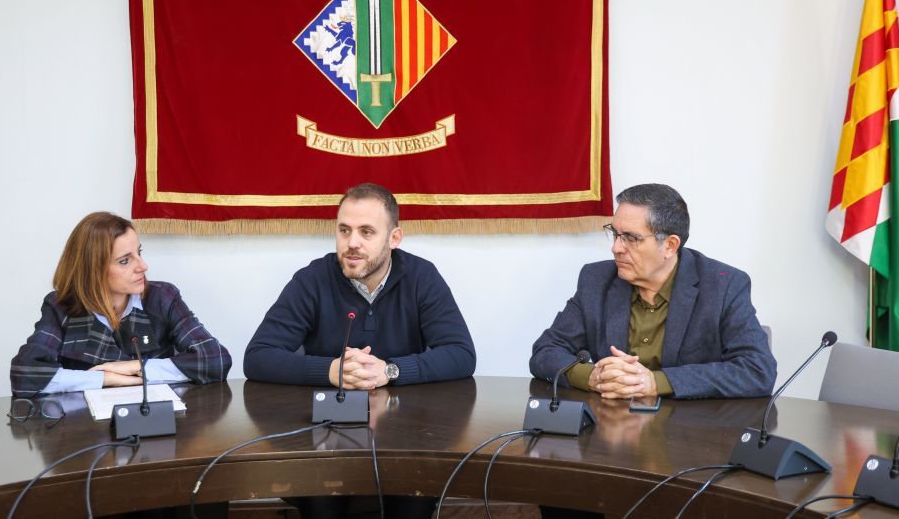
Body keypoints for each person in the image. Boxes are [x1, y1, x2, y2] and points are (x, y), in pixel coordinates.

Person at [244, 182, 475, 518]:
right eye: (344, 230)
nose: (352, 243)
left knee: (413, 502)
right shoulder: (313, 278)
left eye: (367, 232)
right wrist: (330, 371)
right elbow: (258, 356)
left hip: (406, 435)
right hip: (326, 433)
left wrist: (390, 370)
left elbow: (461, 354)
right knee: (321, 502)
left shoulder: (421, 277)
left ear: (394, 239)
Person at [530, 183, 776, 401]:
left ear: (670, 245)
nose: (616, 247)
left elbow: (757, 370)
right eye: (615, 234)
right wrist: (593, 376)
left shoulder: (723, 286)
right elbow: (545, 352)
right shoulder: (596, 280)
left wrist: (655, 383)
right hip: (608, 434)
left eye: (631, 238)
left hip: (690, 437)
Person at [10, 212, 231, 398]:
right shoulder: (61, 306)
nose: (143, 266)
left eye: (139, 253)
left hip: (156, 422)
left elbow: (216, 359)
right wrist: (107, 379)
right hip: (86, 432)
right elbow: (25, 374)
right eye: (125, 261)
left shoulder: (162, 297)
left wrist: (138, 368)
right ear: (92, 270)